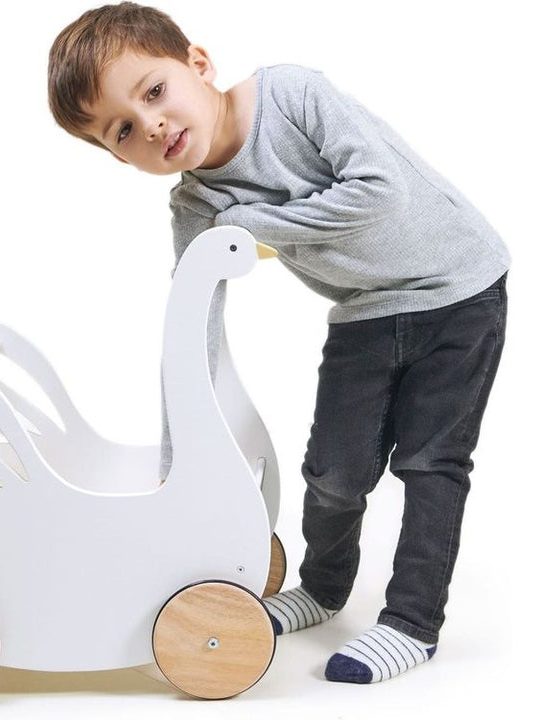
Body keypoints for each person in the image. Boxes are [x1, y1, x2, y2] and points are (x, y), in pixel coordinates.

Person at [47, 2, 510, 684]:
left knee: (430, 462)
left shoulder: (291, 94)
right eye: (123, 130)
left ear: (198, 64)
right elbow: (193, 324)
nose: (152, 125)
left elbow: (379, 193)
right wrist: (177, 460)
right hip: (365, 309)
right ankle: (323, 588)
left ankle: (412, 622)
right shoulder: (196, 207)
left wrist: (254, 223)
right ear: (118, 156)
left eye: (154, 91)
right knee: (332, 472)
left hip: (460, 289)